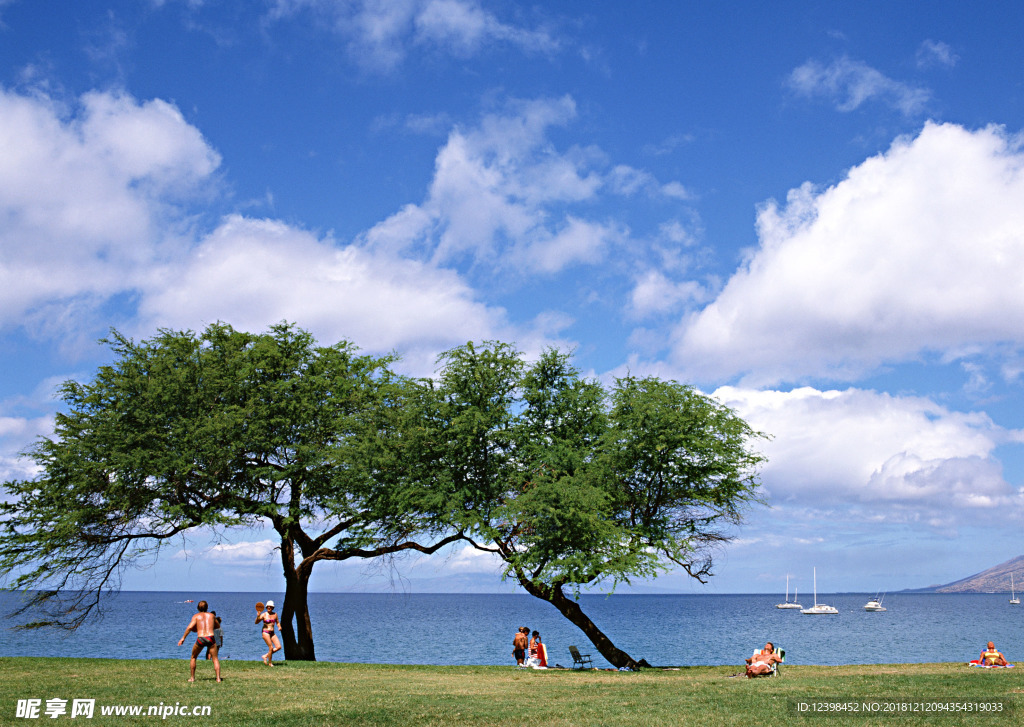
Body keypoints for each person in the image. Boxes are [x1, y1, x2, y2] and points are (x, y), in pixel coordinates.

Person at [178, 600, 222, 682]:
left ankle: (192, 678)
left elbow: (190, 627)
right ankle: (218, 678)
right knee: (215, 659)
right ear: (207, 607)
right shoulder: (211, 615)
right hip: (210, 638)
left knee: (193, 657)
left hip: (201, 638)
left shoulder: (196, 616)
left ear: (198, 608)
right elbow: (218, 626)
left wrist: (183, 638)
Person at [256, 600, 282, 666]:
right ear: (266, 607)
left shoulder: (275, 614)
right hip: (265, 632)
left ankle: (265, 656)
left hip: (272, 633)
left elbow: (278, 622)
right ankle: (270, 663)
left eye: (270, 607)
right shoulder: (264, 614)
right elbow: (256, 622)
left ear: (273, 607)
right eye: (268, 607)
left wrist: (279, 627)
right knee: (270, 647)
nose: (269, 608)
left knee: (278, 647)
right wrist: (258, 616)